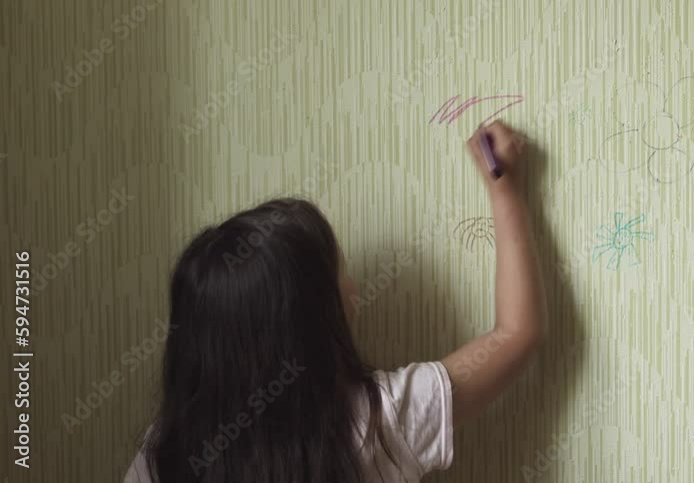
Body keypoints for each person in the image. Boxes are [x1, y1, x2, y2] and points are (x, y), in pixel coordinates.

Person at [123, 120, 546, 482]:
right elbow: (516, 333)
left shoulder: (162, 455)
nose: (354, 287)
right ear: (305, 322)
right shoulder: (379, 422)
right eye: (339, 276)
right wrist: (505, 189)